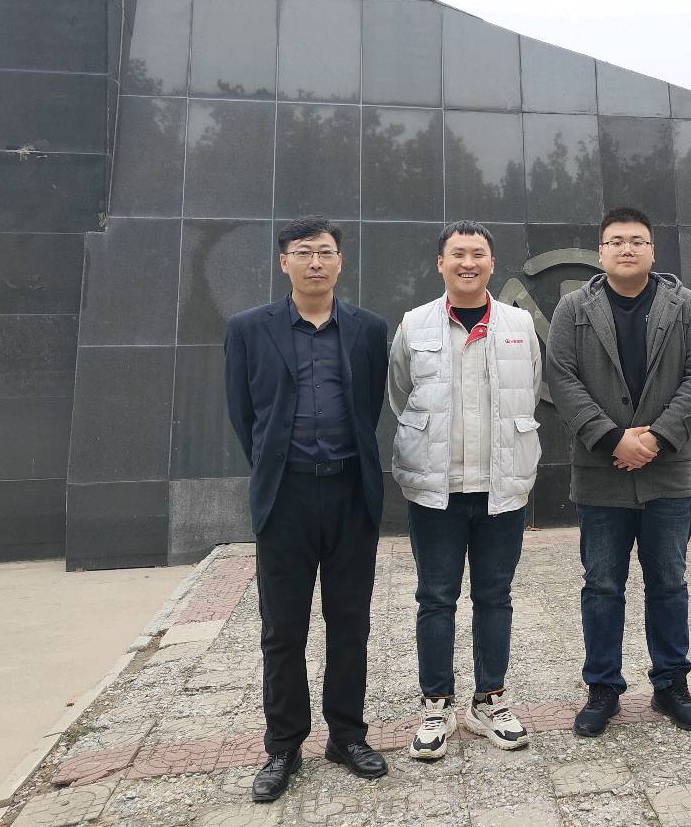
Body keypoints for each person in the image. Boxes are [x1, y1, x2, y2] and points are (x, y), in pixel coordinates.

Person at [224, 216, 392, 802]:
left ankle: (347, 736)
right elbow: (244, 415)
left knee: (350, 623)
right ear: (284, 262)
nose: (315, 262)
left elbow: (370, 406)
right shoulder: (248, 329)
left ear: (340, 261)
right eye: (303, 252)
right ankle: (283, 745)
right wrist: (278, 465)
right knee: (283, 628)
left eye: (325, 252)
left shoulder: (369, 329)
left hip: (349, 493)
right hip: (286, 496)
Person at [545, 207, 691, 737]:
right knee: (601, 585)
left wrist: (655, 439)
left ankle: (671, 685)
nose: (627, 248)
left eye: (637, 240)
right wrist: (612, 438)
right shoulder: (573, 309)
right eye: (616, 241)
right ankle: (603, 689)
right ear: (600, 252)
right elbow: (562, 379)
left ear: (652, 251)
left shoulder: (685, 306)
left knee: (668, 582)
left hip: (668, 474)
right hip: (600, 473)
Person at [389, 220, 542, 760]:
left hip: (501, 486)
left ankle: (489, 701)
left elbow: (531, 388)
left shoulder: (519, 324)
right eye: (458, 254)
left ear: (492, 263)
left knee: (494, 596)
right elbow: (401, 393)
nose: (468, 263)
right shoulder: (414, 324)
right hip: (437, 489)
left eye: (478, 254)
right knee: (435, 597)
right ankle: (437, 705)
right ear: (441, 263)